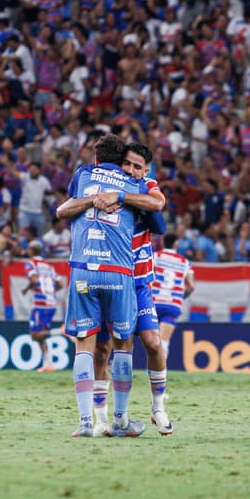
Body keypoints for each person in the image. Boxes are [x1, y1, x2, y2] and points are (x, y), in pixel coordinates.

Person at [55, 134, 163, 437]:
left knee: (85, 347)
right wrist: (123, 196)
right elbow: (158, 211)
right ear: (122, 162)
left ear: (96, 159)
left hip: (82, 271)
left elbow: (64, 209)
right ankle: (120, 419)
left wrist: (91, 199)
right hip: (118, 273)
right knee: (122, 346)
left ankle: (85, 423)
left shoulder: (83, 175)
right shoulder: (135, 185)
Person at [89, 142, 171, 437]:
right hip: (111, 277)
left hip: (139, 280)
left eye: (138, 166)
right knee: (103, 349)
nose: (131, 170)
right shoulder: (101, 184)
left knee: (152, 342)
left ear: (146, 171)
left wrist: (122, 196)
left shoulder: (146, 186)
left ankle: (158, 408)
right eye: (128, 164)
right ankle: (102, 419)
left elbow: (158, 206)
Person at [152, 233, 196, 361]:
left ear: (163, 242)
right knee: (163, 342)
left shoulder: (156, 256)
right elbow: (191, 286)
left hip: (154, 302)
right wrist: (180, 298)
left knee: (149, 341)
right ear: (176, 244)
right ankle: (161, 375)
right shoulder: (185, 262)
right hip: (172, 304)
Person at [21, 240, 64, 373]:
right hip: (51, 303)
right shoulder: (49, 267)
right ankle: (48, 363)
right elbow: (60, 284)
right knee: (42, 334)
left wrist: (28, 288)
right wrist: (50, 292)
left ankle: (61, 331)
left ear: (32, 250)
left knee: (35, 334)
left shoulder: (31, 264)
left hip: (40, 304)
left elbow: (34, 279)